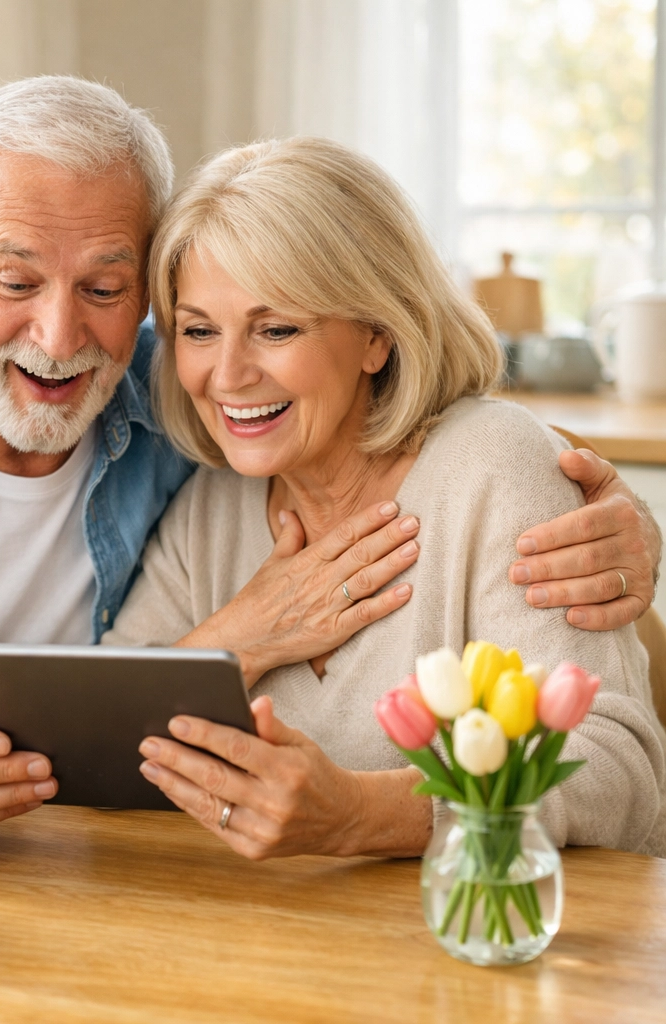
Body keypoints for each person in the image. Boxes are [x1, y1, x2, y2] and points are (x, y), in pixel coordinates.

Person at [0, 79, 659, 848]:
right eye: (14, 277)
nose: (57, 331)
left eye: (103, 286)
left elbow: (612, 748)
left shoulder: (186, 424)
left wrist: (632, 555)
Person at [105, 136, 666, 858]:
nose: (228, 374)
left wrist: (363, 814)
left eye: (276, 329)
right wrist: (238, 640)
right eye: (198, 331)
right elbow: (103, 739)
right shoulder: (209, 510)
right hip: (280, 945)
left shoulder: (497, 467)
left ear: (376, 334)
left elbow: (617, 769)